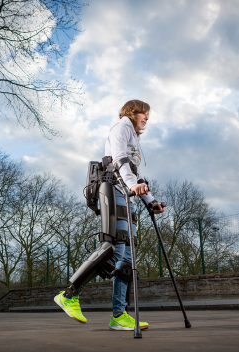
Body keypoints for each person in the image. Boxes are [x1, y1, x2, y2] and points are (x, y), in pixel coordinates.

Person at [54, 100, 165, 331]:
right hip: (115, 191)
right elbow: (119, 161)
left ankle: (119, 315)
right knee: (113, 250)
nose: (147, 118)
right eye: (144, 113)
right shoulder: (121, 127)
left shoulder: (136, 138)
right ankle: (69, 295)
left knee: (127, 259)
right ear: (133, 111)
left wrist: (151, 201)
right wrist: (133, 185)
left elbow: (137, 174)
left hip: (128, 196)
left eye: (148, 115)